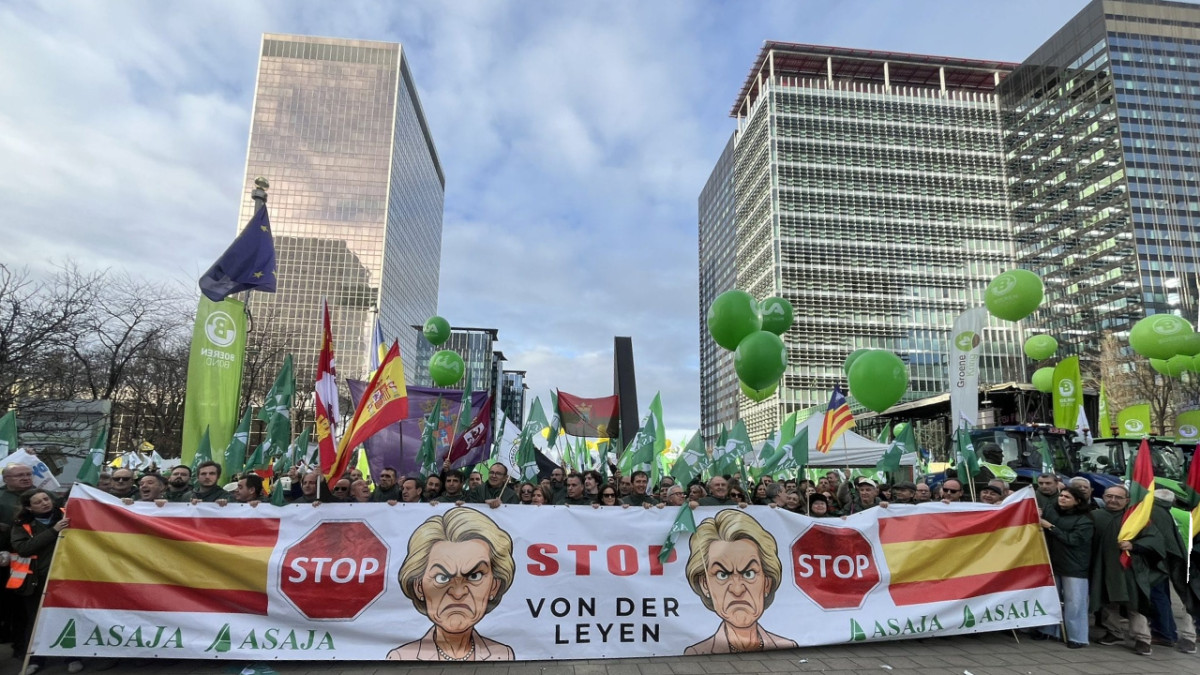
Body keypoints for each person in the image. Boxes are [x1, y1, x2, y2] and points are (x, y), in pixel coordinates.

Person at [388, 509, 515, 661]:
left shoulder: (503, 655)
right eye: (442, 577)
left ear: (494, 586)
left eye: (475, 576)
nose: (458, 592)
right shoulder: (401, 657)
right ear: (418, 586)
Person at [684, 510, 797, 654]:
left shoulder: (788, 645)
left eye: (749, 573)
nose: (737, 589)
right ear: (705, 584)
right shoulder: (696, 652)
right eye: (722, 575)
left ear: (767, 583)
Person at [9, 488, 81, 675]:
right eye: (38, 502)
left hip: (66, 576)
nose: (44, 503)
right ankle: (35, 659)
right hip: (37, 581)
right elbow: (23, 548)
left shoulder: (68, 514)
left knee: (67, 617)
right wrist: (53, 531)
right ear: (29, 508)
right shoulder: (22, 525)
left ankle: (72, 656)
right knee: (37, 622)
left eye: (46, 498)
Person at [1090, 485, 1156, 655]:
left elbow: (1154, 540)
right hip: (1102, 566)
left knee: (1134, 603)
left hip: (1129, 567)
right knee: (1107, 601)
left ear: (1127, 500)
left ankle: (1142, 638)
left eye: (1118, 497)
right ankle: (1114, 632)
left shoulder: (1137, 519)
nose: (1113, 500)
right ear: (1103, 497)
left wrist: (1135, 545)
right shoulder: (1094, 516)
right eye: (1109, 496)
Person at [1035, 485, 1093, 647]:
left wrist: (1050, 527)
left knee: (1075, 603)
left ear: (1078, 501)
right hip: (1053, 562)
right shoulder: (1051, 510)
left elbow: (1073, 540)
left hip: (1074, 566)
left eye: (1067, 497)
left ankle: (1077, 637)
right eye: (1061, 495)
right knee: (1050, 598)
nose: (1062, 498)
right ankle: (1047, 630)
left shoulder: (1084, 519)